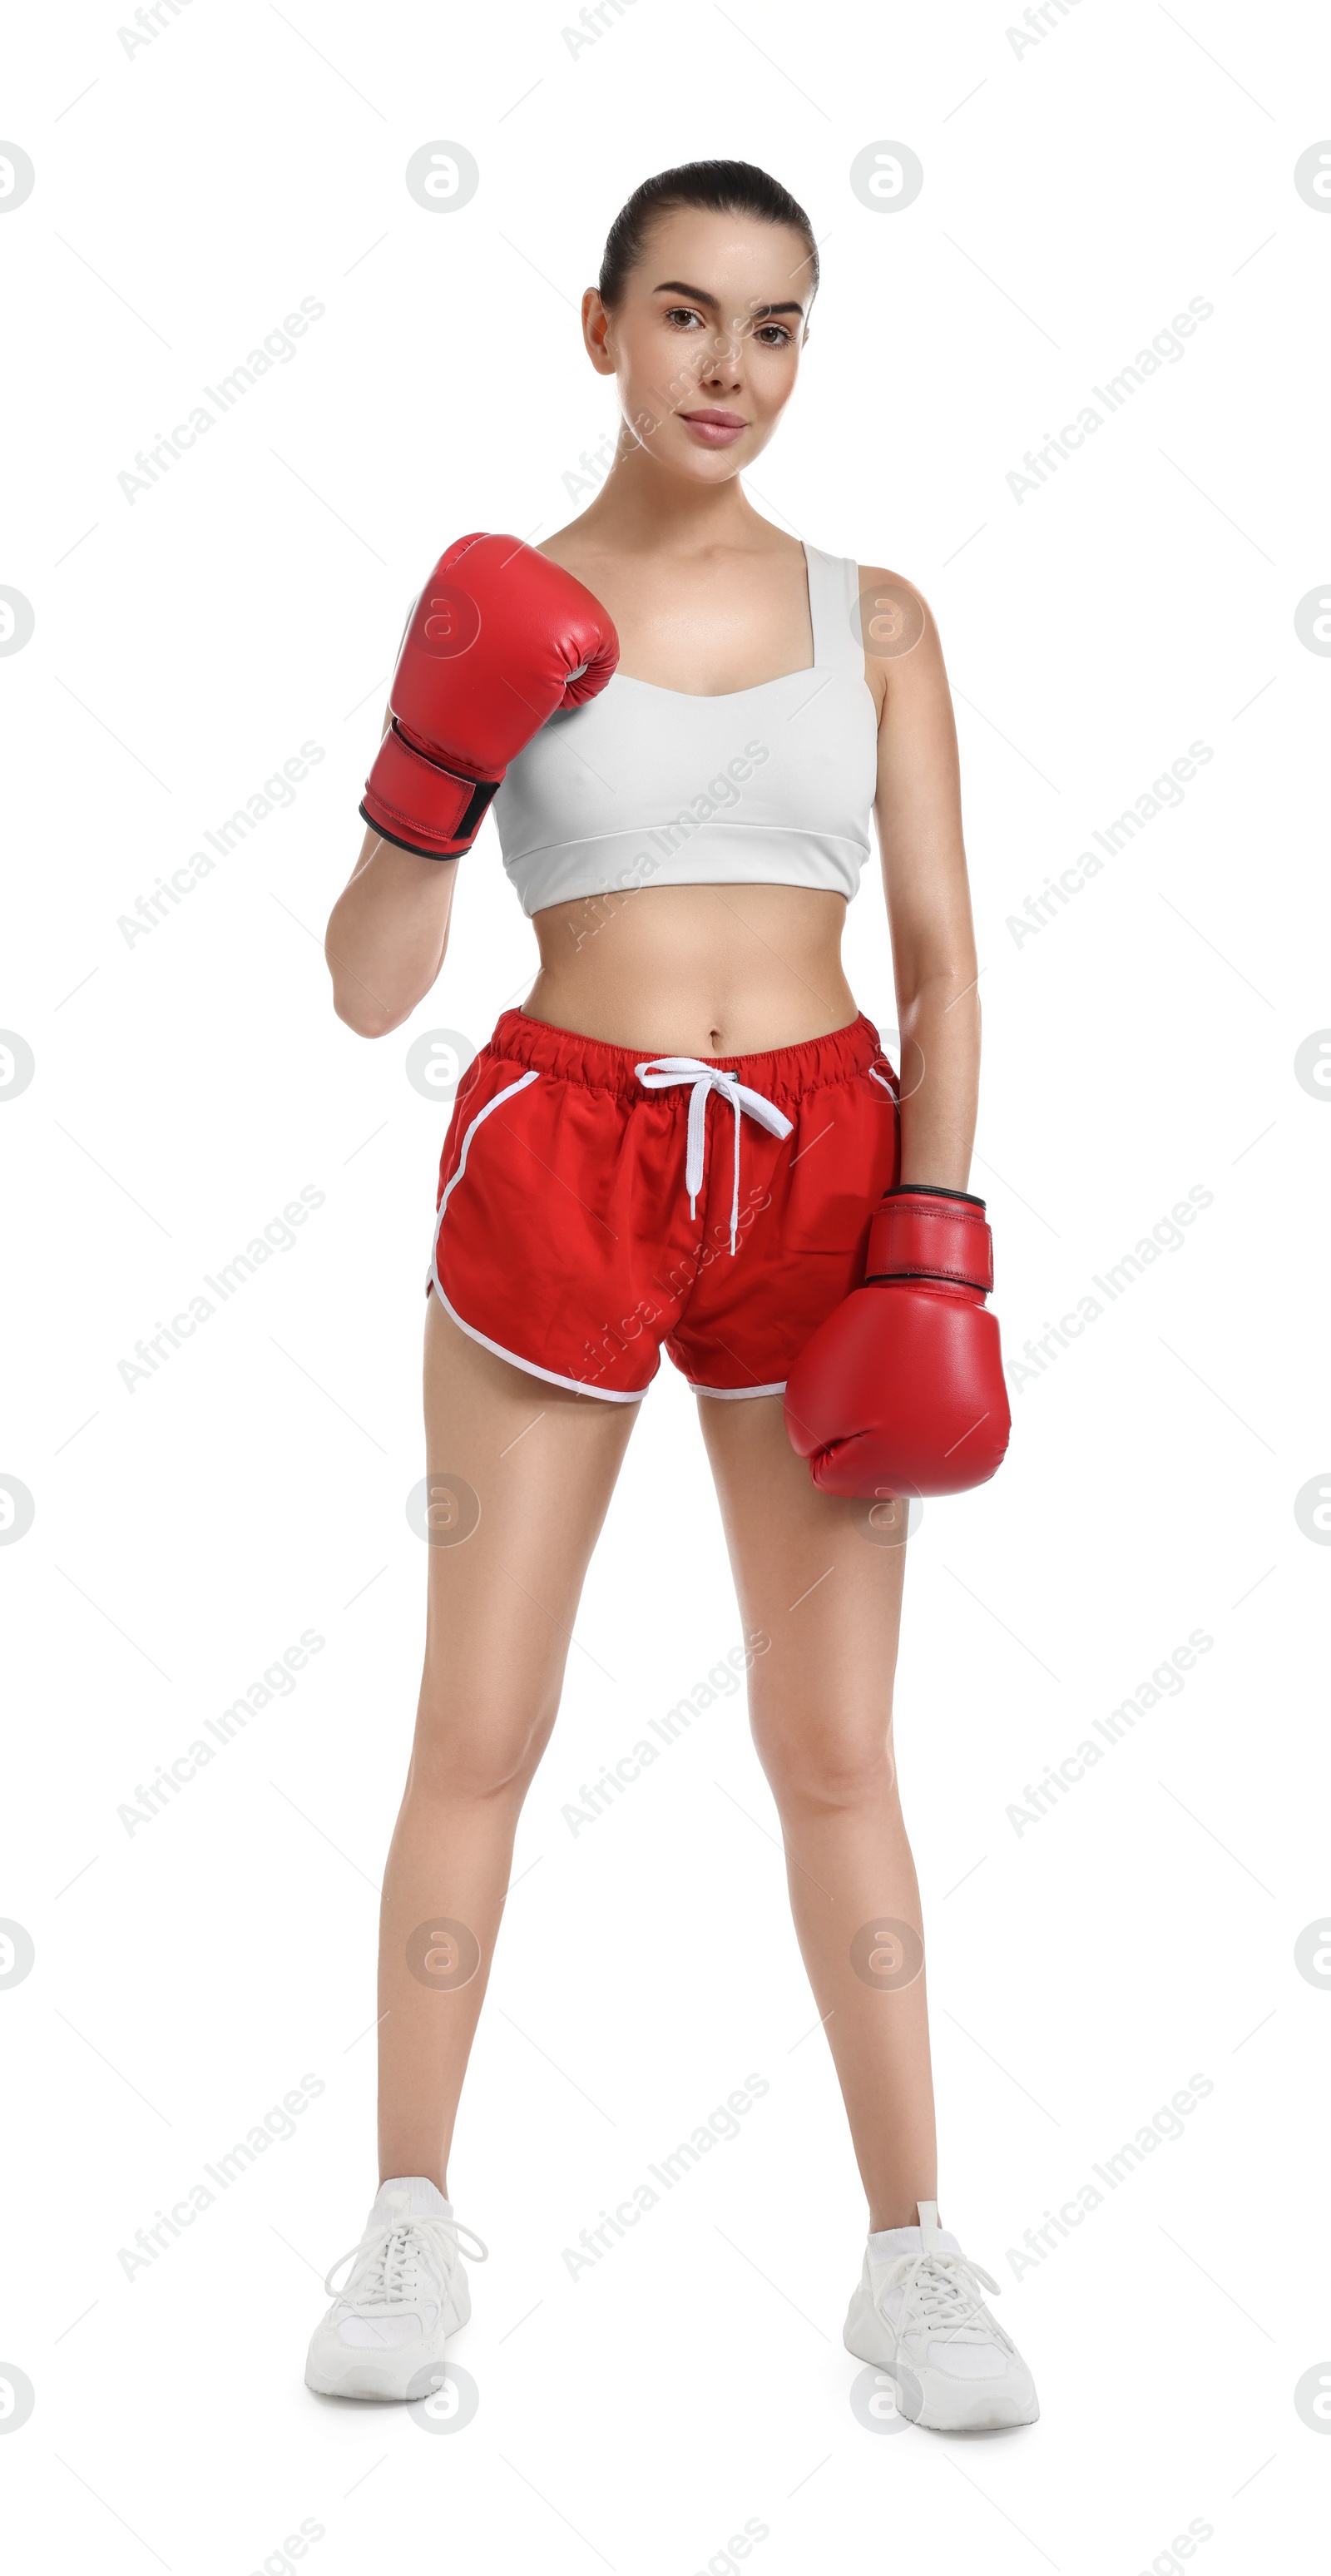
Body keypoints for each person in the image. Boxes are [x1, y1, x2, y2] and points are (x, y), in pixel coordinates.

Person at [305, 159, 1036, 2435]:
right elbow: (361, 989)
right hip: (562, 1148)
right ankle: (407, 2222)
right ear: (601, 326)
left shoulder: (880, 617)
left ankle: (910, 2257)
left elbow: (937, 960)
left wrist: (935, 1231)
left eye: (781, 326)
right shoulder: (504, 611)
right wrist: (427, 781)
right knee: (482, 1726)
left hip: (825, 1168)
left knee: (834, 1750)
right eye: (693, 316)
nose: (734, 368)